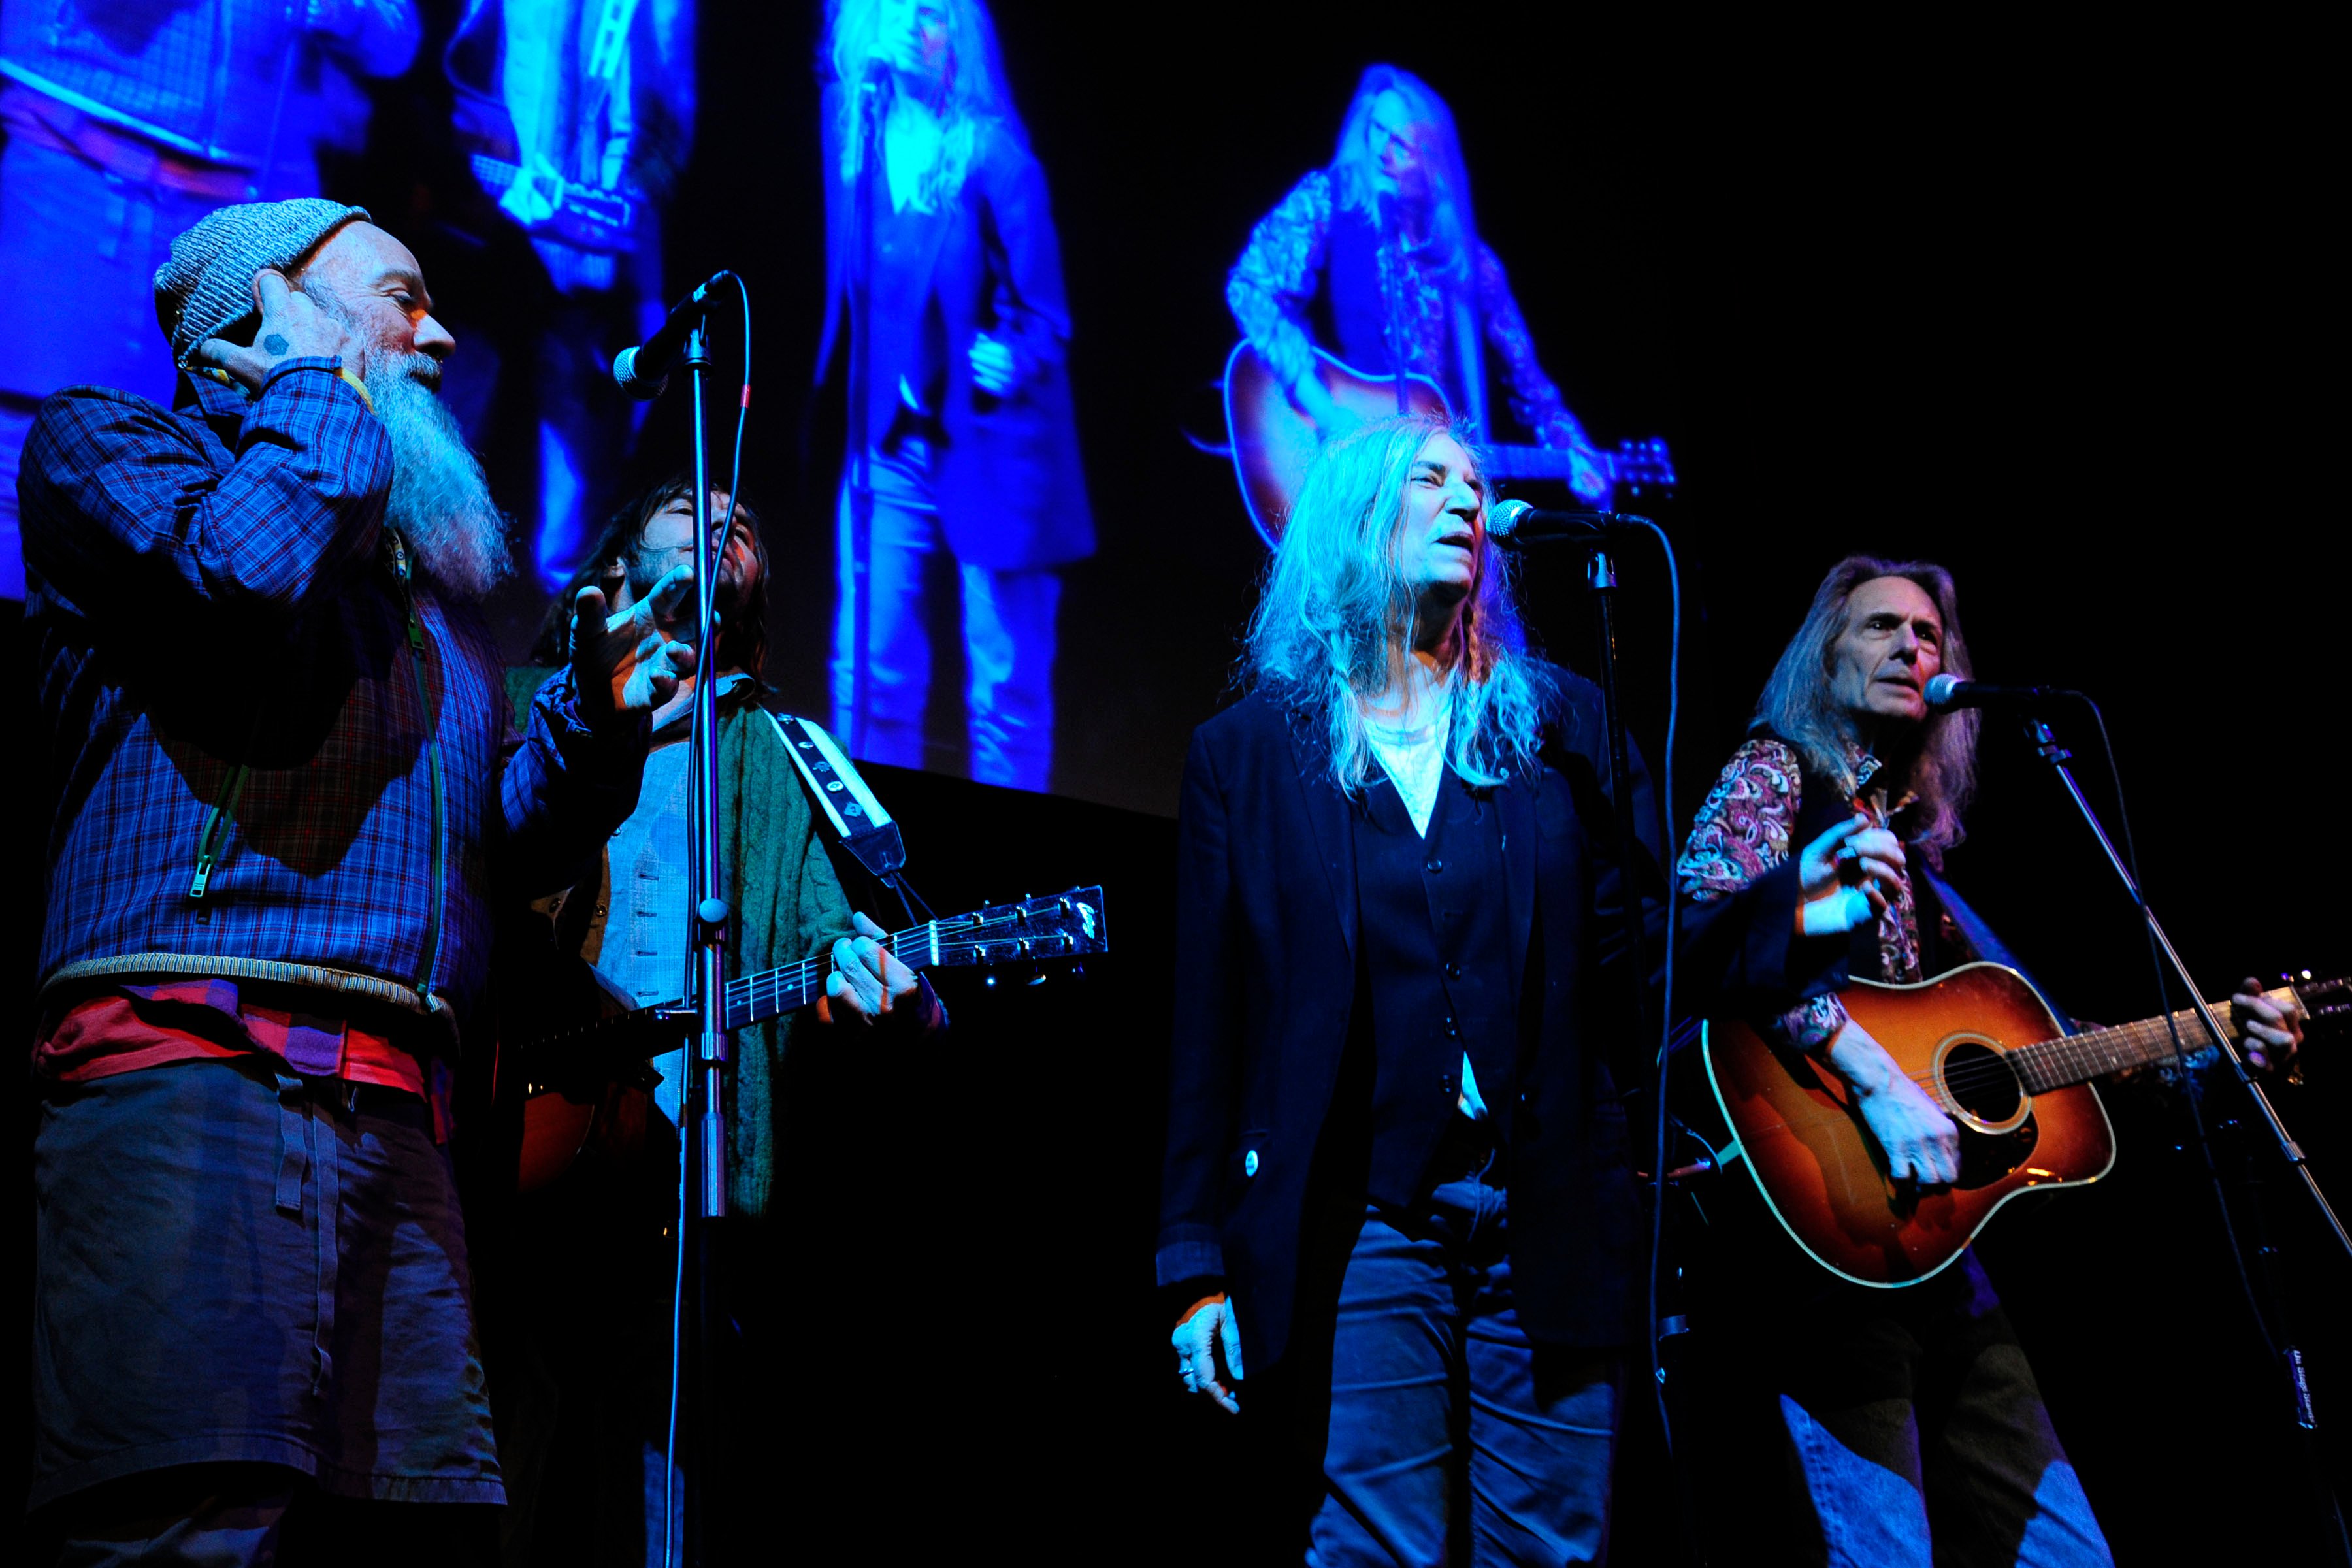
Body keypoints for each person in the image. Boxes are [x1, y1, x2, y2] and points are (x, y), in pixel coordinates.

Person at [20, 198, 698, 1563]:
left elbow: (495, 847)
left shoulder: (414, 609)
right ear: (268, 307)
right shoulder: (111, 444)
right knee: (187, 1531)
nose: (440, 334)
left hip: (402, 1134)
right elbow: (240, 572)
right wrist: (318, 377)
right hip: (196, 1082)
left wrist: (598, 724)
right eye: (402, 297)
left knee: (416, 1545)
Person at [1156, 414, 1894, 1564]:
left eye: (1476, 482)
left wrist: (1787, 912)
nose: (1465, 498)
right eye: (1429, 480)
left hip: (1546, 1215)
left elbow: (1642, 973)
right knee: (1376, 1548)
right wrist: (1194, 1260)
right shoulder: (1249, 754)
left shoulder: (1560, 728)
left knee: (1552, 1548)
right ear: (1354, 513)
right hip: (1364, 1218)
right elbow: (1211, 1028)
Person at [1674, 556, 2307, 1566]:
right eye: (1881, 628)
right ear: (1824, 655)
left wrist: (2220, 1044)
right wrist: (1878, 1088)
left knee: (2069, 1551)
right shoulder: (1776, 772)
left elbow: (2042, 1052)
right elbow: (1698, 935)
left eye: (1929, 637)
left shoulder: (1918, 852)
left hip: (1942, 1250)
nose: (1912, 649)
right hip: (1826, 1236)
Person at [487, 475, 947, 1564]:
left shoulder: (785, 753)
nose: (723, 510)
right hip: (508, 1157)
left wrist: (880, 982)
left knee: (660, 1515)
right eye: (686, 506)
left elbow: (834, 935)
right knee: (484, 1483)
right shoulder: (517, 706)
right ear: (612, 573)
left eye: (740, 518)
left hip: (680, 1193)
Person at [0, 0, 421, 601]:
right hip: (77, 163)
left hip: (254, 209)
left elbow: (395, 40)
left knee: (225, 455)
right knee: (23, 454)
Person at [817, 0, 1094, 793]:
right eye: (892, 7)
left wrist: (1014, 352)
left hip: (994, 452)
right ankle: (865, 860)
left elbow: (1051, 319)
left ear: (959, 40)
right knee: (870, 672)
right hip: (891, 442)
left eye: (931, 11)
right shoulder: (854, 134)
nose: (908, 21)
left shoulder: (997, 159)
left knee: (1003, 693)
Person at [1227, 63, 1612, 504]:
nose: (1381, 152)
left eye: (1402, 145)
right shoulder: (1329, 197)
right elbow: (1252, 287)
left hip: (1428, 497)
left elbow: (1531, 384)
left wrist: (1574, 451)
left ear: (1433, 167)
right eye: (1376, 130)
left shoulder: (1470, 264)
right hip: (1341, 478)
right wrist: (1324, 409)